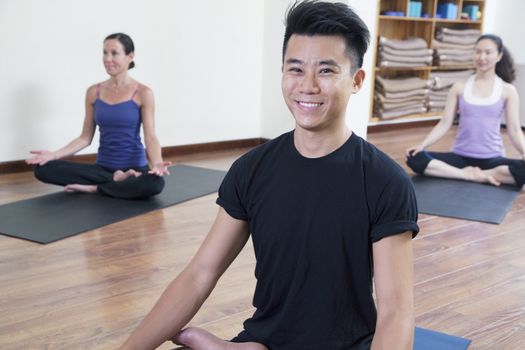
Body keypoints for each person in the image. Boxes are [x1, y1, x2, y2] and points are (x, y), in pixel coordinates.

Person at [120, 1, 419, 349]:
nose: (307, 85)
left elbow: (396, 310)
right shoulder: (251, 169)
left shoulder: (386, 182)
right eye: (295, 69)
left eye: (325, 71)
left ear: (356, 80)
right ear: (282, 72)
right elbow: (200, 274)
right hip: (268, 336)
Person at [26, 33, 170, 199]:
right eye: (104, 53)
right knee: (43, 168)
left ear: (130, 56)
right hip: (103, 169)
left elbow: (150, 136)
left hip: (135, 168)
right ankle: (114, 181)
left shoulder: (143, 93)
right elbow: (85, 137)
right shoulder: (94, 92)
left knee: (155, 183)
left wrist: (157, 163)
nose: (107, 59)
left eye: (114, 53)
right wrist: (54, 155)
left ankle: (96, 188)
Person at [406, 34, 525, 189]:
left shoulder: (508, 90)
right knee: (414, 157)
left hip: (493, 158)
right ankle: (472, 175)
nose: (482, 57)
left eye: (488, 52)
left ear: (499, 55)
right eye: (477, 51)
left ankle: (463, 173)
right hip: (460, 156)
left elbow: (515, 129)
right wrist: (422, 145)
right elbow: (444, 123)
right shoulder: (460, 86)